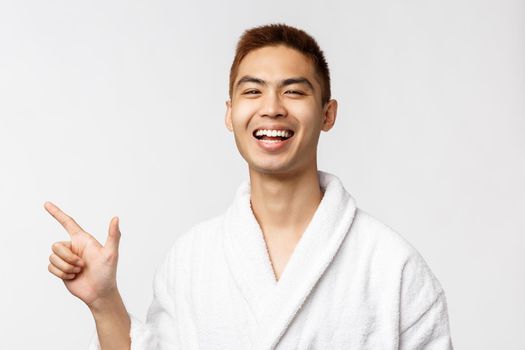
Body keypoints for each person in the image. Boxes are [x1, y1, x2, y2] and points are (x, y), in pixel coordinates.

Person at [46, 23, 454, 349]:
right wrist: (103, 302)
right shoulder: (191, 260)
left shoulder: (393, 267)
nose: (272, 107)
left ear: (328, 114)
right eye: (253, 91)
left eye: (294, 91)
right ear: (230, 114)